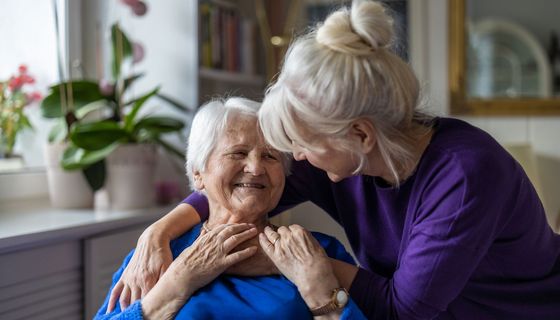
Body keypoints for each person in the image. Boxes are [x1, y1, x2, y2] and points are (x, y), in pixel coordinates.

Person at [108, 1, 560, 319]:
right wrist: (159, 232)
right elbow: (241, 186)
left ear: (360, 134)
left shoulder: (465, 176)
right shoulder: (340, 158)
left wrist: (294, 269)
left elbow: (400, 310)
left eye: (297, 144)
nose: (292, 159)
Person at [96, 97, 366, 319]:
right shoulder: (157, 257)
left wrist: (320, 291)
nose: (256, 168)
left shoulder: (317, 251)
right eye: (238, 153)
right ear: (198, 173)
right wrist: (178, 281)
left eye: (270, 156)